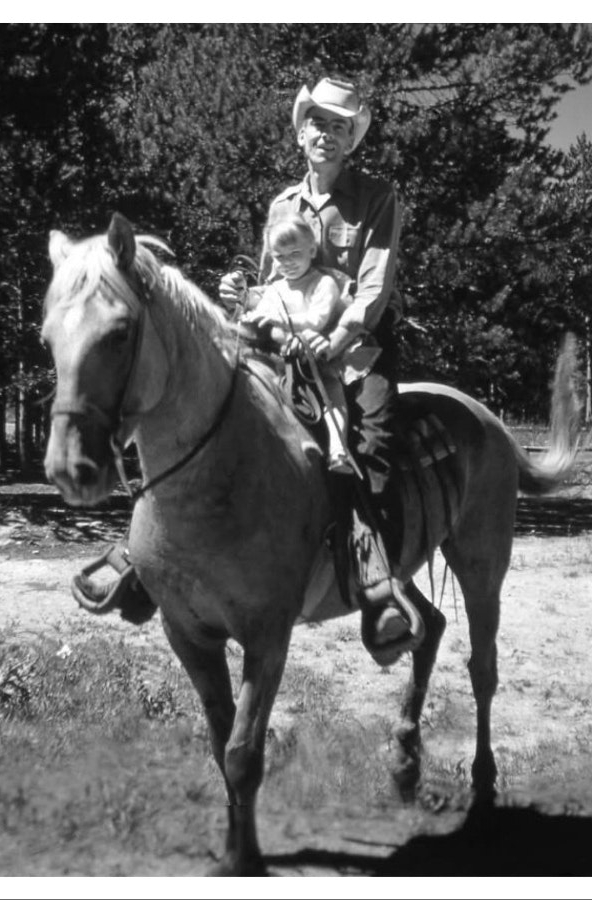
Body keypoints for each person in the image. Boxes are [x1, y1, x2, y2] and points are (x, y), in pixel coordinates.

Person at [79, 76, 421, 665]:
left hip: (351, 349)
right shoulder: (283, 205)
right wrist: (244, 293)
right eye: (318, 122)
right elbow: (274, 284)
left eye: (340, 126)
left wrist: (332, 337)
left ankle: (376, 586)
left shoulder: (377, 198)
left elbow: (373, 288)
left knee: (371, 443)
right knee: (203, 415)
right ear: (302, 131)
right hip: (282, 345)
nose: (326, 134)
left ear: (351, 138)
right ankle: (149, 559)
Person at [240, 212, 380, 476]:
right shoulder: (274, 290)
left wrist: (277, 318)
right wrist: (248, 318)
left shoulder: (323, 282)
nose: (287, 263)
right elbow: (261, 319)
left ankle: (338, 449)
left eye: (295, 254)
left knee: (329, 390)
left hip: (320, 353)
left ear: (312, 250)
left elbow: (317, 319)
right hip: (282, 358)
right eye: (279, 257)